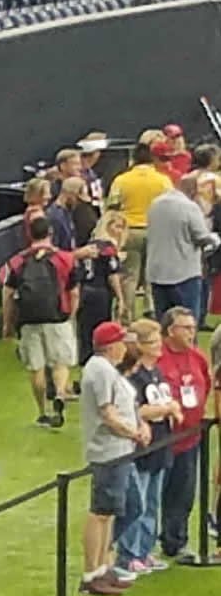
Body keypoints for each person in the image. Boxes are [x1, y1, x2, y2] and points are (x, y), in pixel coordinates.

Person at [79, 320, 149, 596]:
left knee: (112, 512)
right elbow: (108, 414)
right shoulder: (100, 371)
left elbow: (125, 406)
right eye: (122, 342)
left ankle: (102, 569)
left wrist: (136, 427)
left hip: (120, 450)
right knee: (101, 512)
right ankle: (91, 572)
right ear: (111, 345)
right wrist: (134, 432)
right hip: (108, 450)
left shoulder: (108, 370)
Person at [0, 213, 80, 428]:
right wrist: (71, 316)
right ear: (50, 234)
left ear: (29, 234)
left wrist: (7, 324)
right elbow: (74, 292)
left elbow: (7, 295)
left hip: (28, 319)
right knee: (60, 363)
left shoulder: (17, 261)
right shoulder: (65, 259)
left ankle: (42, 411)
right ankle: (61, 393)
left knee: (36, 367)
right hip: (58, 317)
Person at [115, 320, 179, 576]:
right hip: (142, 448)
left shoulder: (157, 372)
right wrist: (167, 409)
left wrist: (170, 408)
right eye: (152, 342)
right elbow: (137, 409)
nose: (159, 345)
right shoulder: (133, 376)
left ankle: (145, 549)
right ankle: (128, 554)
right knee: (138, 501)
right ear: (139, 346)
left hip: (161, 444)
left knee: (152, 501)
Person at [156, 307, 212, 563]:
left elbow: (206, 385)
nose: (192, 332)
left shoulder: (197, 357)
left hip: (190, 438)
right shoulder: (157, 359)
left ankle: (174, 541)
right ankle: (137, 547)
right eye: (186, 328)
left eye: (193, 327)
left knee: (183, 492)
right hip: (162, 439)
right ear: (170, 331)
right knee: (153, 493)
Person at [105, 140, 173, 319]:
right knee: (153, 276)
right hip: (155, 231)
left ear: (133, 159)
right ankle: (151, 311)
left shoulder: (121, 180)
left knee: (129, 276)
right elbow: (171, 204)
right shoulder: (163, 180)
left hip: (129, 231)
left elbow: (112, 205)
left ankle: (126, 314)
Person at [145, 173, 219, 320]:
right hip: (183, 272)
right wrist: (215, 239)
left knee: (164, 320)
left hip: (157, 270)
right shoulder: (190, 207)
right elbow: (202, 236)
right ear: (193, 190)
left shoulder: (155, 203)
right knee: (187, 320)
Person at [76, 210, 126, 366]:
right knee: (100, 328)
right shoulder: (108, 248)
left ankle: (85, 358)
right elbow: (112, 275)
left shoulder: (89, 245)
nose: (120, 231)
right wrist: (120, 297)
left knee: (85, 329)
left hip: (85, 290)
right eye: (117, 227)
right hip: (100, 292)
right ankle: (99, 359)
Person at [47, 176, 96, 252]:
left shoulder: (68, 212)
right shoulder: (55, 216)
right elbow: (54, 250)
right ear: (70, 194)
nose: (78, 204)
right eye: (77, 199)